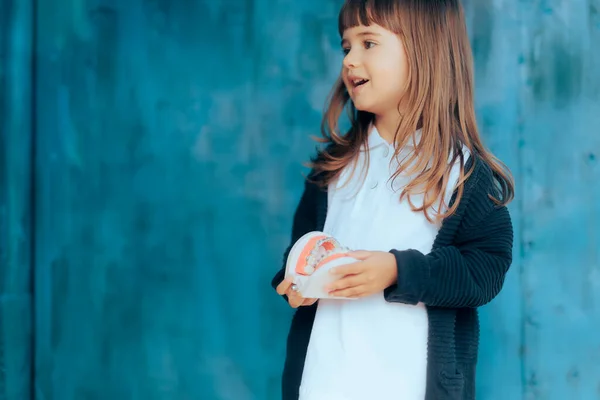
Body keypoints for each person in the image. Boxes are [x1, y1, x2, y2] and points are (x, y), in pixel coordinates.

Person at [271, 0, 515, 399]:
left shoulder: (460, 171)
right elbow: (302, 248)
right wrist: (294, 279)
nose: (350, 60)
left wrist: (398, 270)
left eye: (369, 43)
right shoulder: (332, 168)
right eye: (346, 46)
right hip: (323, 381)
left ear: (424, 52)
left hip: (408, 385)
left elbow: (486, 267)